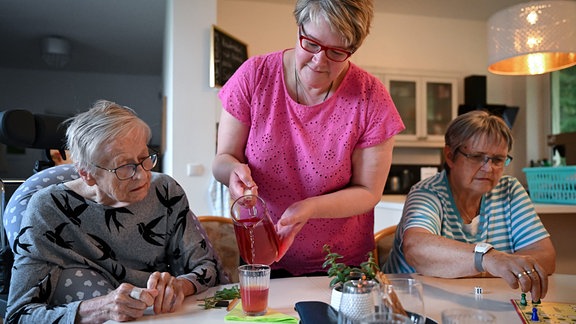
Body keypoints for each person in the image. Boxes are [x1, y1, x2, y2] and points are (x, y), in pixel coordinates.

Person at [212, 0, 404, 277]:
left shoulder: (370, 97)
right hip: (263, 255)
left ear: (353, 50)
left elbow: (368, 192)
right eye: (311, 44)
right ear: (298, 28)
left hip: (341, 263)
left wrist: (309, 208)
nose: (319, 61)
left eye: (336, 52)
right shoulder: (254, 76)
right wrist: (233, 172)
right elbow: (222, 160)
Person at [6, 100, 226, 323]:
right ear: (87, 174)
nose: (142, 175)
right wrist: (100, 308)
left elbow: (209, 269)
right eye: (124, 167)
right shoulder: (48, 210)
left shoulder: (165, 191)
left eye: (144, 158)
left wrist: (181, 285)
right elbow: (18, 314)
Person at [383, 110, 556, 302]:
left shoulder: (510, 190)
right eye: (476, 156)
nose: (488, 168)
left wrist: (471, 267)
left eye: (498, 159)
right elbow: (416, 248)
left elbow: (545, 257)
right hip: (412, 306)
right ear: (450, 156)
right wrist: (487, 259)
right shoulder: (427, 193)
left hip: (476, 303)